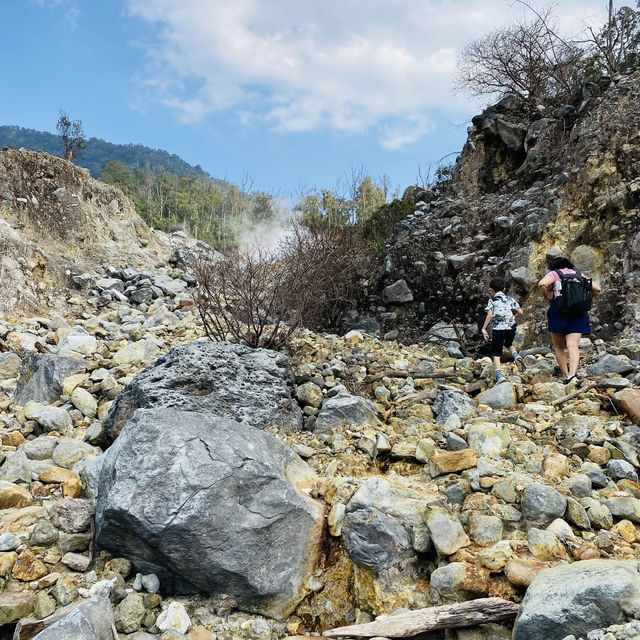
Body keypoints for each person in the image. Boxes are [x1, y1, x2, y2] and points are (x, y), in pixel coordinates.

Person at [537, 256, 601, 384]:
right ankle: (573, 375)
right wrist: (588, 298)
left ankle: (566, 376)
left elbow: (542, 284)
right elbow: (597, 288)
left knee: (559, 346)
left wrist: (547, 296)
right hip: (578, 311)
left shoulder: (555, 273)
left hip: (558, 310)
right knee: (573, 345)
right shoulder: (579, 275)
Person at [482, 278, 525, 384]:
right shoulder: (510, 299)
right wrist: (511, 316)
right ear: (504, 289)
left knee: (496, 354)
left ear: (491, 290)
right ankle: (516, 355)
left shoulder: (492, 300)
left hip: (498, 329)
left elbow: (490, 314)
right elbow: (521, 312)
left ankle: (499, 375)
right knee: (508, 343)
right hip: (511, 327)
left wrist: (483, 328)